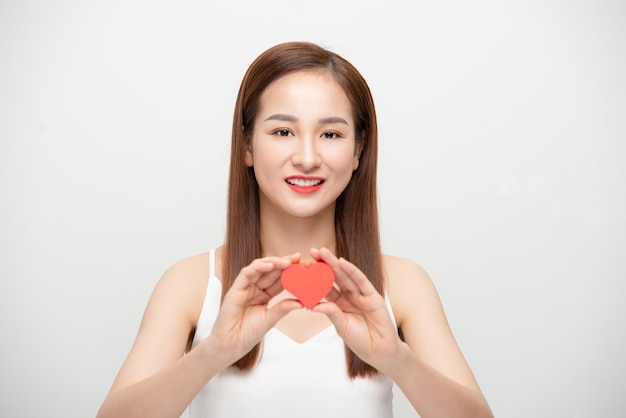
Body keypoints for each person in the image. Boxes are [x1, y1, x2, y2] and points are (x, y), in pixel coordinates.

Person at [97, 41, 493, 418]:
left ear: (358, 152)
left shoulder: (403, 284)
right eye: (283, 131)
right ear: (247, 146)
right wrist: (214, 352)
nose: (307, 157)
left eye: (331, 134)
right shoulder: (191, 283)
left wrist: (396, 360)